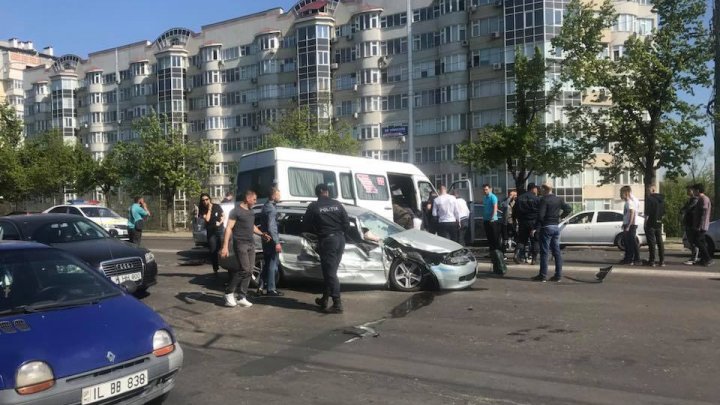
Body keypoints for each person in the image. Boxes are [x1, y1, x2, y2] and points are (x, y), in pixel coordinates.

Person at [303, 183, 350, 314]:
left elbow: (305, 224)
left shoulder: (314, 206)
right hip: (340, 239)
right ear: (327, 192)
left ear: (317, 193)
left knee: (330, 273)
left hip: (328, 240)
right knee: (331, 271)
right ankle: (324, 299)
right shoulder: (338, 204)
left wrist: (317, 233)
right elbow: (347, 223)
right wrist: (340, 233)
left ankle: (337, 304)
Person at [220, 190, 269, 308]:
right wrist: (225, 246)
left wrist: (262, 234)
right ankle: (228, 292)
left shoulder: (251, 212)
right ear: (247, 198)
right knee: (245, 269)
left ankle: (242, 296)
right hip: (240, 244)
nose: (255, 201)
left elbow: (252, 226)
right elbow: (228, 228)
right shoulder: (236, 211)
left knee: (250, 270)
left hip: (251, 244)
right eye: (254, 199)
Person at [532, 182, 571, 282]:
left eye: (541, 189)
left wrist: (536, 227)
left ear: (544, 189)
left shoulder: (544, 200)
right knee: (556, 251)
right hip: (555, 227)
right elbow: (568, 209)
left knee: (544, 252)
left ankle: (543, 275)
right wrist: (559, 217)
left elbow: (540, 215)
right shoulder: (558, 199)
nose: (540, 191)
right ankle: (558, 275)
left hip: (546, 227)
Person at [259, 187, 283, 296]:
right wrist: (277, 242)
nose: (280, 197)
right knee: (273, 264)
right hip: (271, 240)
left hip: (265, 239)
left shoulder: (265, 206)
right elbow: (272, 226)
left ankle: (260, 286)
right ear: (273, 196)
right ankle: (271, 289)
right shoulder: (272, 209)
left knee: (267, 264)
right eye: (278, 195)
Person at [198, 193, 224, 275]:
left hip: (219, 230)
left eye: (206, 199)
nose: (205, 201)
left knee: (221, 249)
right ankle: (215, 268)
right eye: (203, 200)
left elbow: (223, 215)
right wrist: (209, 209)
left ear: (210, 199)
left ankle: (225, 265)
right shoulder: (202, 209)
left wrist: (220, 222)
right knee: (213, 250)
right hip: (211, 232)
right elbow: (208, 219)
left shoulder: (216, 206)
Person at [513, 183, 540, 264]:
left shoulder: (519, 198)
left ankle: (517, 253)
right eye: (536, 189)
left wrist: (515, 220)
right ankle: (534, 259)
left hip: (522, 222)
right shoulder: (536, 199)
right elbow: (540, 212)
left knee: (521, 240)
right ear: (533, 189)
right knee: (535, 240)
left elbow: (515, 210)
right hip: (534, 222)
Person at [690, 183, 714, 266]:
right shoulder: (702, 199)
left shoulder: (704, 199)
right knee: (702, 242)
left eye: (694, 190)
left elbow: (703, 214)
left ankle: (708, 258)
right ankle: (703, 259)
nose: (693, 192)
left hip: (701, 226)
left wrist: (699, 226)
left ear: (698, 190)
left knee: (697, 241)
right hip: (700, 225)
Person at [642, 186, 665, 267]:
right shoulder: (662, 199)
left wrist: (645, 222)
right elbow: (663, 212)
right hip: (659, 222)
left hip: (651, 222)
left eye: (648, 190)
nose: (648, 192)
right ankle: (662, 261)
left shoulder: (649, 199)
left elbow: (647, 212)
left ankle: (652, 261)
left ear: (652, 190)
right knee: (660, 241)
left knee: (651, 242)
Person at [619, 186, 641, 265]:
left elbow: (632, 213)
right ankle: (628, 258)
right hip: (627, 224)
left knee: (631, 242)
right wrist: (624, 223)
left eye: (621, 193)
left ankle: (633, 259)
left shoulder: (630, 202)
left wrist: (629, 225)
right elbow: (626, 214)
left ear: (626, 193)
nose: (620, 195)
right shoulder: (627, 202)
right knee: (627, 242)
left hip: (631, 225)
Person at [681, 186, 700, 265]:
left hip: (692, 223)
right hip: (688, 223)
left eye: (689, 191)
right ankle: (693, 257)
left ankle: (694, 257)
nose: (687, 192)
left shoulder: (695, 200)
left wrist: (684, 210)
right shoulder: (690, 200)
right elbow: (684, 209)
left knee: (693, 241)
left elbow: (688, 209)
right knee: (691, 241)